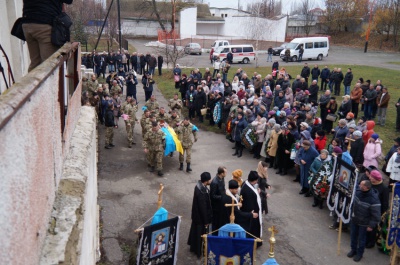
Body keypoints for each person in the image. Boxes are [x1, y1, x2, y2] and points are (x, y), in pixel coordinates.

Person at [21, 0, 74, 72]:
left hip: (27, 22)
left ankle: (31, 82)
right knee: (48, 66)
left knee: (35, 63)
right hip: (45, 23)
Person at [347, 180, 381, 262]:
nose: (359, 185)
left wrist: (371, 225)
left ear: (366, 187)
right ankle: (353, 250)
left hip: (364, 223)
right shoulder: (358, 192)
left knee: (361, 240)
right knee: (353, 236)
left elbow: (376, 214)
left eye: (361, 185)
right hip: (355, 219)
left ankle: (359, 254)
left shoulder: (373, 199)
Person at [187, 172, 212, 258]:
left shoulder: (199, 187)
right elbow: (203, 208)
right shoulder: (202, 191)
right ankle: (198, 251)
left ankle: (193, 247)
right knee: (199, 235)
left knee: (195, 233)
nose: (210, 181)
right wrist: (206, 221)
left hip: (196, 216)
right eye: (209, 179)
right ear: (206, 181)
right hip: (200, 218)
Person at [365, 170, 389, 248]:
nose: (370, 177)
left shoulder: (384, 188)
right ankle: (365, 239)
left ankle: (371, 242)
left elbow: (385, 202)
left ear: (376, 178)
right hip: (367, 208)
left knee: (373, 228)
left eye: (371, 177)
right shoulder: (370, 184)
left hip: (376, 211)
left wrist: (382, 214)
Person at [240, 171, 263, 247]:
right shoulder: (247, 190)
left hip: (253, 211)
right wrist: (252, 213)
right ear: (255, 180)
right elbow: (249, 203)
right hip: (252, 213)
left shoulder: (247, 184)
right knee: (252, 230)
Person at [210, 167, 227, 233]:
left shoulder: (222, 178)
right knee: (216, 222)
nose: (226, 173)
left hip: (220, 204)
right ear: (222, 173)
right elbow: (212, 196)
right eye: (225, 172)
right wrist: (222, 197)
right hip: (216, 207)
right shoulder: (214, 182)